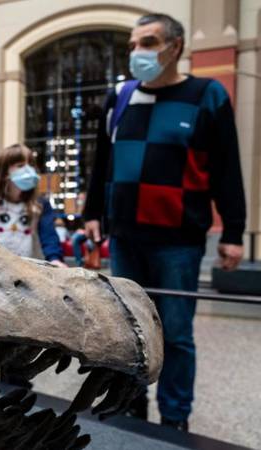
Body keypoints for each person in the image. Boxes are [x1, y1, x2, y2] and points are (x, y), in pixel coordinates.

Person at [83, 13, 246, 431]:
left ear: (175, 47)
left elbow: (227, 168)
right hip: (125, 236)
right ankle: (131, 409)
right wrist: (92, 214)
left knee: (175, 335)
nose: (138, 52)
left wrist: (232, 231)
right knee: (130, 333)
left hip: (179, 239)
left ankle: (174, 420)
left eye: (149, 42)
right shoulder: (120, 96)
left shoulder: (206, 95)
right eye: (134, 44)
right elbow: (102, 162)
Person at [0, 143, 66, 268]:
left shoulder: (40, 205)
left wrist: (54, 259)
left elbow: (49, 236)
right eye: (20, 165)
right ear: (3, 172)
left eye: (31, 165)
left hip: (30, 269)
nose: (28, 170)